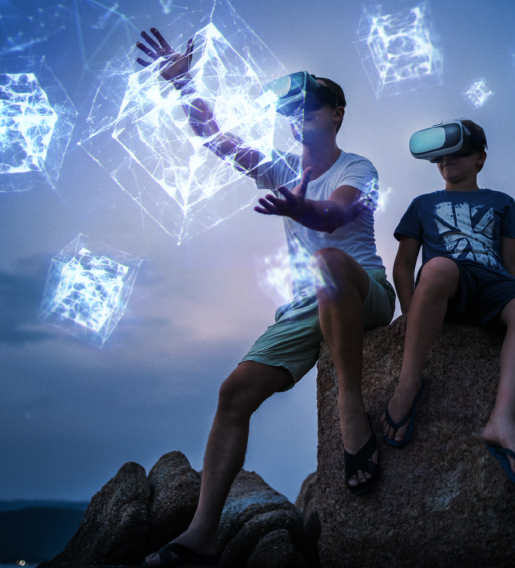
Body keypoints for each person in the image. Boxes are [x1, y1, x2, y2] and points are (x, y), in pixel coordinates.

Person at [134, 28, 395, 566]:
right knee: (234, 392)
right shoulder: (281, 167)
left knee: (328, 261)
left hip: (362, 290)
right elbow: (217, 138)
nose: (299, 118)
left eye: (310, 109)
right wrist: (184, 86)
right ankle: (203, 535)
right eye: (292, 112)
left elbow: (337, 214)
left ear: (337, 113)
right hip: (308, 306)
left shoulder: (357, 168)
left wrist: (296, 208)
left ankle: (350, 409)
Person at [383, 119, 515, 486]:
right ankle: (408, 383)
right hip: (448, 284)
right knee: (437, 266)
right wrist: (409, 309)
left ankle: (503, 420)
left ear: (480, 158)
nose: (448, 161)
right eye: (442, 156)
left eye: (459, 153)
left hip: (493, 286)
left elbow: (512, 259)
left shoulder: (502, 202)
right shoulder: (422, 204)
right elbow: (403, 264)